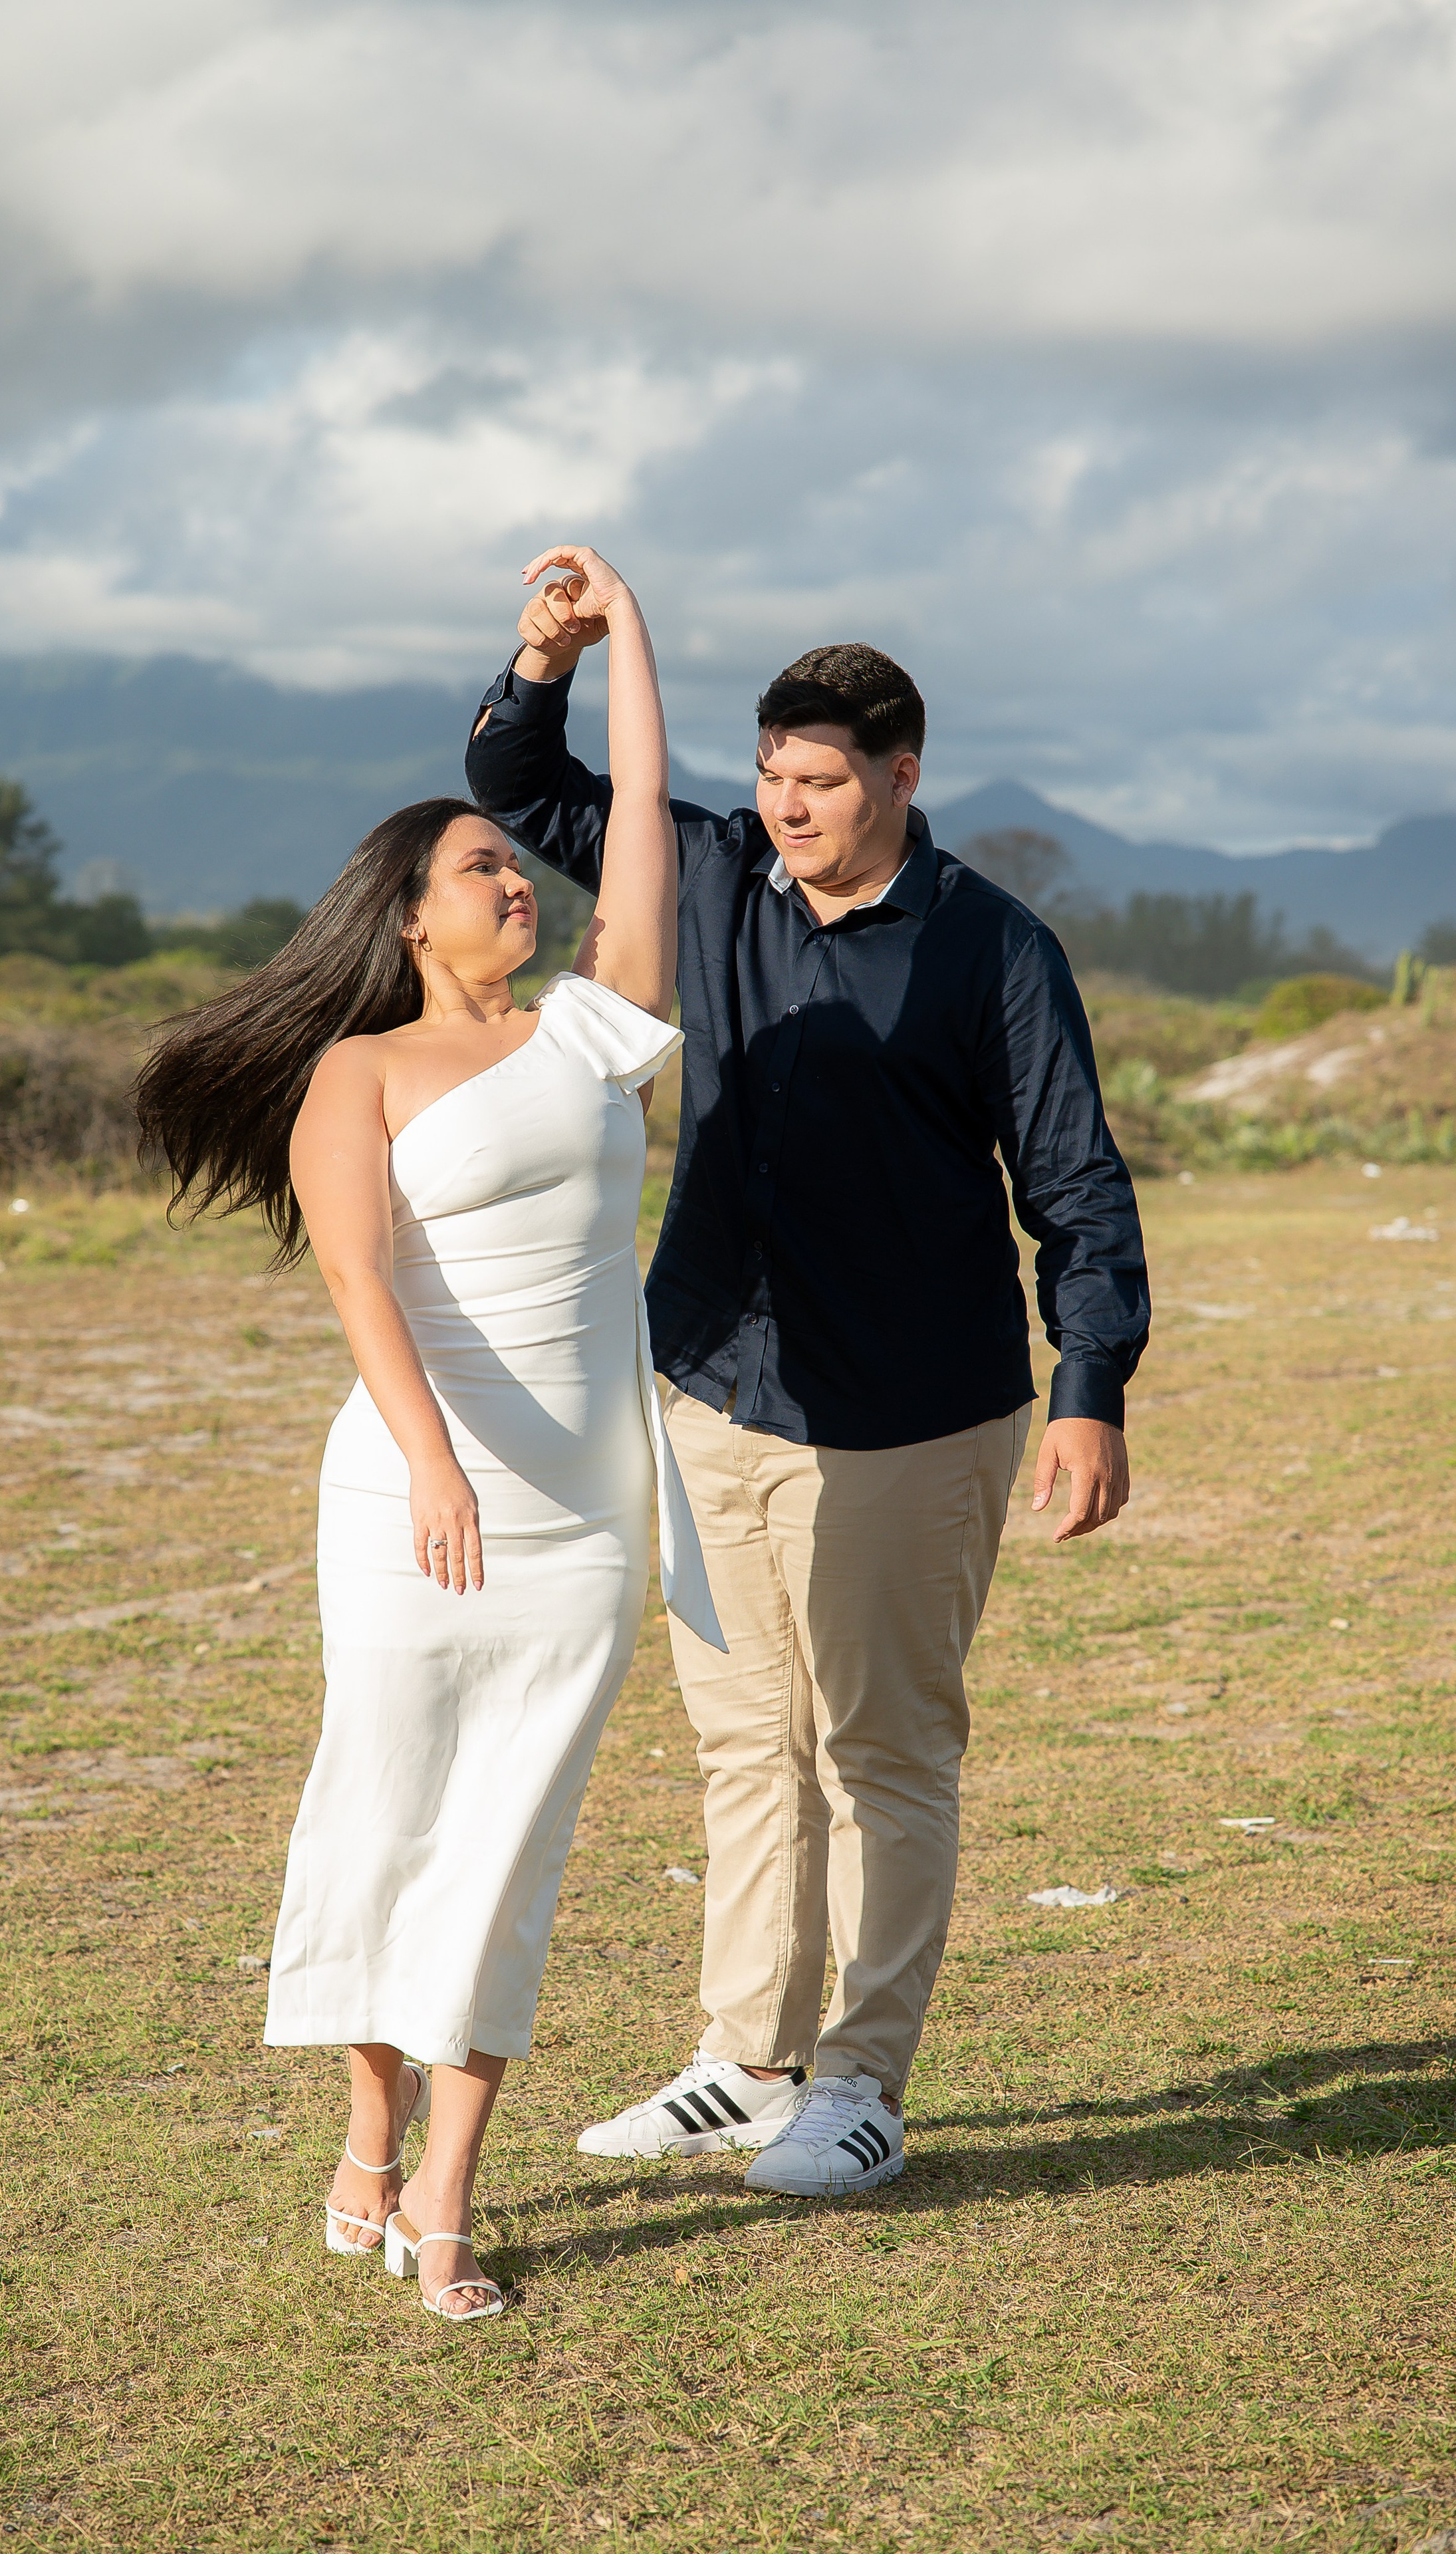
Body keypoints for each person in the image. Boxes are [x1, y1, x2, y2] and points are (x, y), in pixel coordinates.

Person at [465, 582, 1151, 2196]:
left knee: (881, 1750)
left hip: (912, 1408)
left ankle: (860, 2082)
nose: (786, 805)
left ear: (902, 774)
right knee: (742, 1744)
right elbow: (521, 786)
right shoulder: (707, 869)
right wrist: (546, 660)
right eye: (772, 773)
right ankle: (745, 2060)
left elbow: (1071, 1183)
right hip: (710, 1380)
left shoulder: (991, 945)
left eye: (821, 781)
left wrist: (1089, 1385)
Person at [136, 546, 721, 2323]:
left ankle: (448, 2195)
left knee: (513, 1844)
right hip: (410, 1498)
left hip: (587, 1512)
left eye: (515, 863)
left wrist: (621, 635)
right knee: (388, 1813)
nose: (516, 879)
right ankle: (369, 2134)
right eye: (481, 866)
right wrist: (436, 1462)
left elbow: (641, 843)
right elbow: (357, 1274)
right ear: (406, 916)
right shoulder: (360, 1074)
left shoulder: (588, 1032)